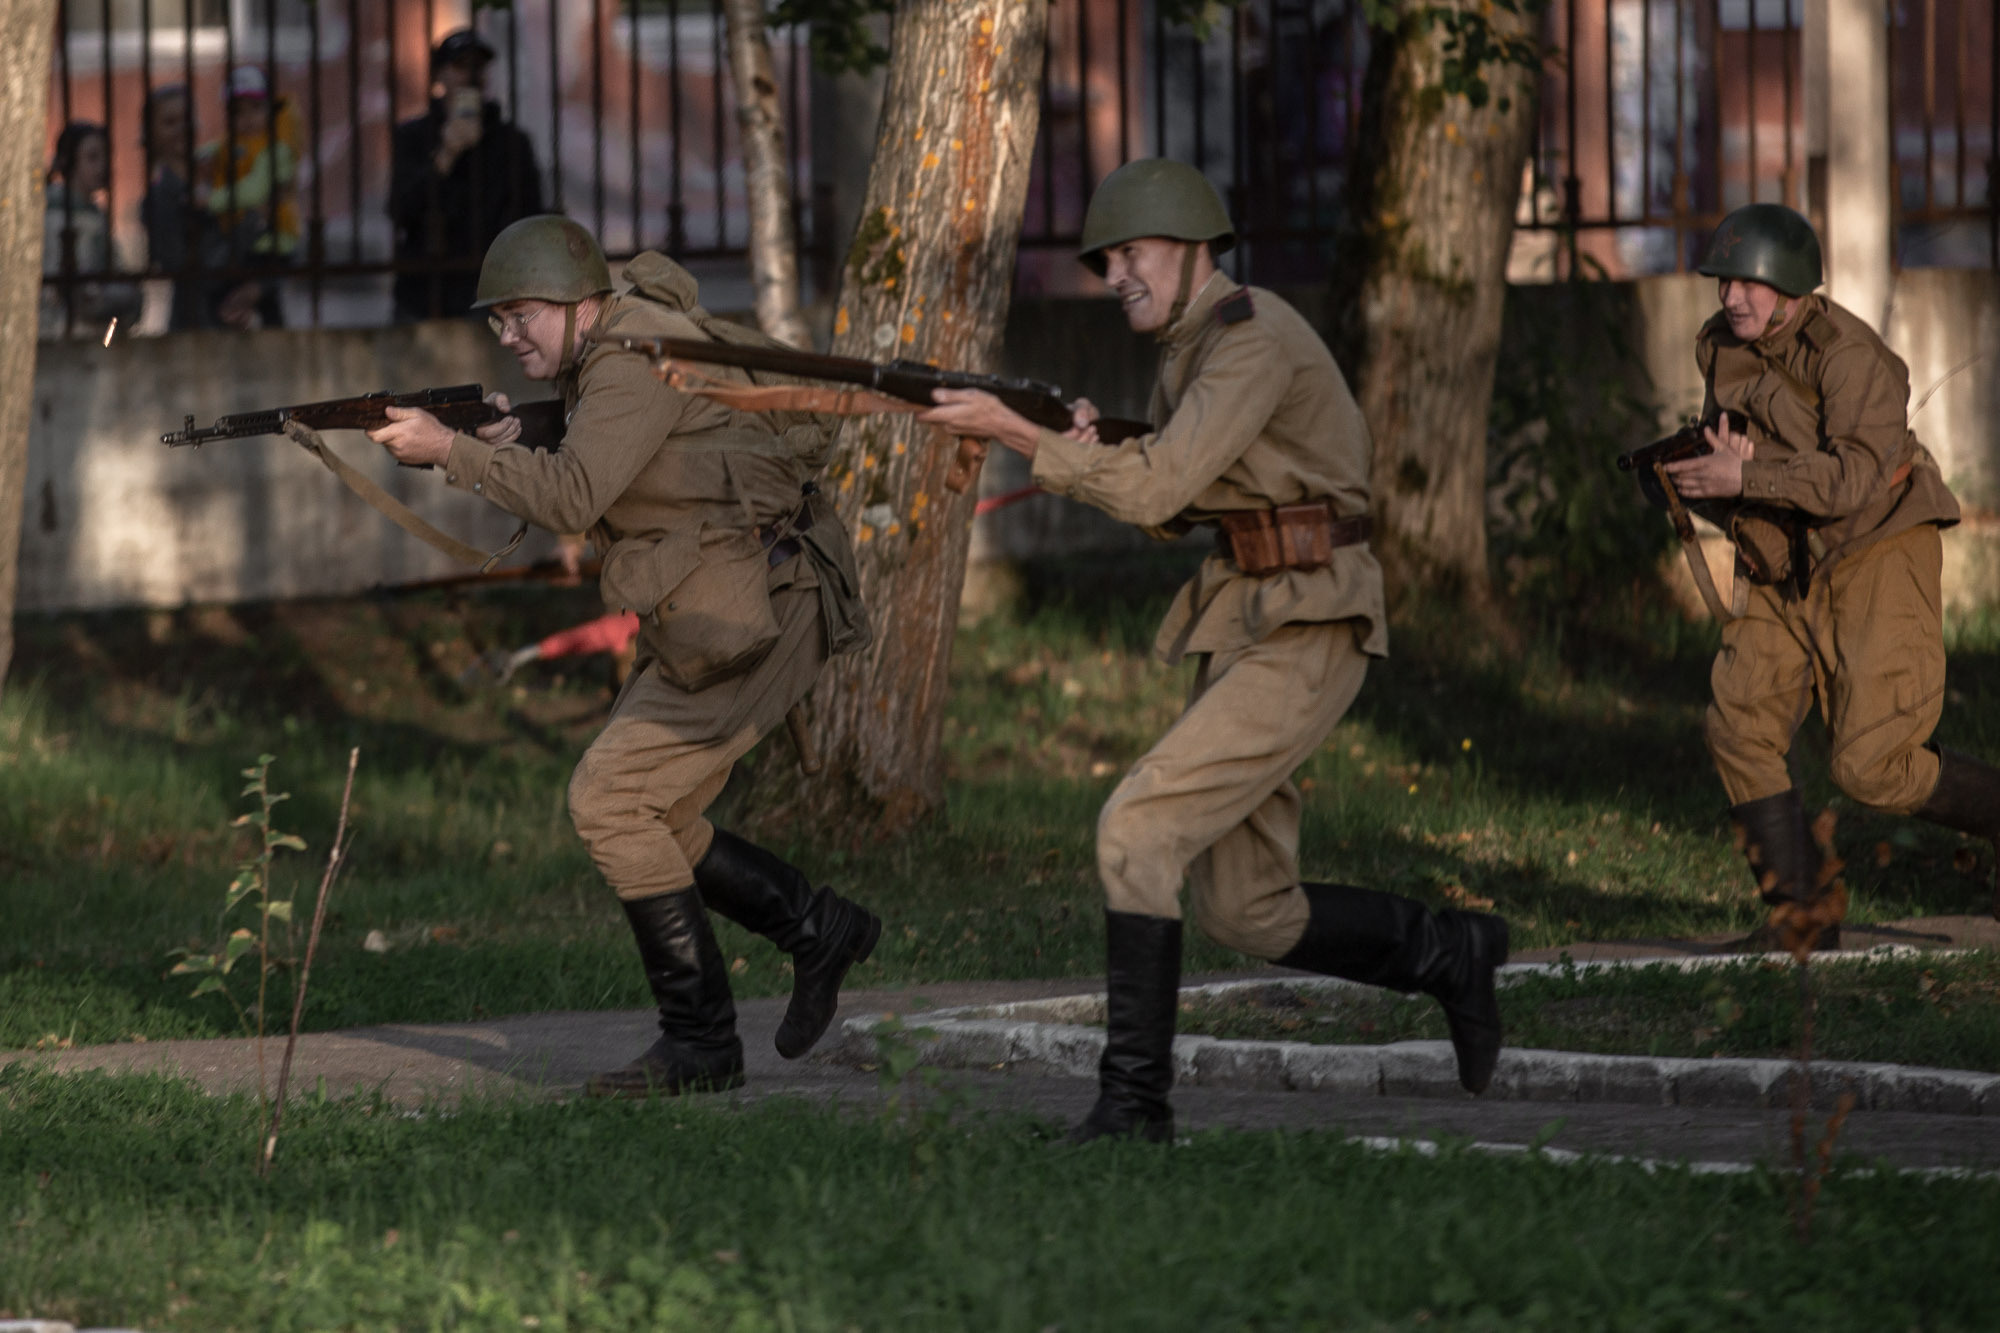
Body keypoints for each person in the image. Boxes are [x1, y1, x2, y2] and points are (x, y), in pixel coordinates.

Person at [917, 159, 1509, 1143]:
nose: (1114, 274)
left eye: (1132, 252)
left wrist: (1016, 431)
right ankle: (1450, 952)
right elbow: (1181, 493)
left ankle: (1132, 1106)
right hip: (1246, 615)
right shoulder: (1191, 343)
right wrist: (1095, 438)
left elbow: (1155, 492)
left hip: (1307, 620)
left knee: (1134, 828)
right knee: (1250, 909)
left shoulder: (1248, 336)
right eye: (1105, 259)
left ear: (1193, 249)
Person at [366, 215, 880, 1097]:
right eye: (498, 320)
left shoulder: (631, 357)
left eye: (522, 314)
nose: (507, 334)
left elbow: (574, 495)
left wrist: (449, 451)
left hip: (767, 600)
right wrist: (513, 439)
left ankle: (702, 1041)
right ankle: (816, 928)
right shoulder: (611, 352)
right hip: (721, 597)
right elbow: (630, 458)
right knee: (659, 817)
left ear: (579, 303)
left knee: (608, 798)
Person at [1660, 203, 2000, 948]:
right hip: (1789, 555)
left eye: (1749, 284)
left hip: (1879, 548)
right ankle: (1804, 920)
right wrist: (1697, 471)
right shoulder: (1721, 347)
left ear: (1790, 287)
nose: (1731, 298)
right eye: (1724, 283)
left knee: (1871, 764)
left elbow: (1854, 482)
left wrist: (1745, 479)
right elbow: (1745, 449)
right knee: (1738, 721)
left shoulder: (1849, 356)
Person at [389, 28, 544, 323]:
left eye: (478, 67)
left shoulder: (511, 142)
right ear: (439, 77)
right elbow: (400, 209)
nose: (471, 77)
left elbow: (530, 215)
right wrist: (445, 156)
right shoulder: (413, 137)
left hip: (489, 291)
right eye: (460, 66)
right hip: (423, 293)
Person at [197, 66, 298, 329]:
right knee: (230, 300)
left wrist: (212, 200)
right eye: (238, 112)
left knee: (265, 305)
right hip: (245, 239)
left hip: (273, 242)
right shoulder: (232, 143)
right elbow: (213, 151)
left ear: (269, 110)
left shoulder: (276, 149)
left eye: (255, 108)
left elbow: (256, 189)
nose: (247, 118)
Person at [41, 121, 143, 340]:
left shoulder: (91, 212)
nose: (102, 166)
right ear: (68, 161)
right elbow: (72, 290)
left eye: (105, 156)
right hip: (62, 332)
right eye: (92, 157)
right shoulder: (58, 215)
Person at [139, 84, 214, 331]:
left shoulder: (215, 172)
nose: (181, 129)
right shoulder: (159, 192)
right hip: (195, 317)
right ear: (151, 133)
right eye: (169, 122)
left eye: (186, 119)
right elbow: (174, 259)